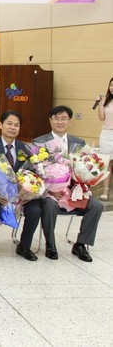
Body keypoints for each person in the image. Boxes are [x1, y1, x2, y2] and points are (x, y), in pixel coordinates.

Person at [34, 105, 102, 262]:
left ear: (70, 121)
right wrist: (49, 191)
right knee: (49, 206)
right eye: (56, 118)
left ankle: (80, 244)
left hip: (74, 192)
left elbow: (86, 167)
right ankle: (50, 244)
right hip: (51, 192)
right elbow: (35, 171)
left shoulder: (79, 143)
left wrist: (84, 184)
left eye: (64, 119)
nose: (60, 122)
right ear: (50, 120)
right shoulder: (39, 143)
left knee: (96, 206)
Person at [0, 110, 41, 262]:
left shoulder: (24, 148)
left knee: (35, 209)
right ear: (1, 125)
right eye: (9, 124)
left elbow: (31, 173)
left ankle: (24, 246)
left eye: (16, 125)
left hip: (19, 195)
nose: (12, 127)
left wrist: (28, 192)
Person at [96, 77, 113, 201]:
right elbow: (101, 118)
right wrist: (99, 104)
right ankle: (105, 190)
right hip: (106, 135)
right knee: (108, 163)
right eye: (111, 85)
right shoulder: (106, 101)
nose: (112, 87)